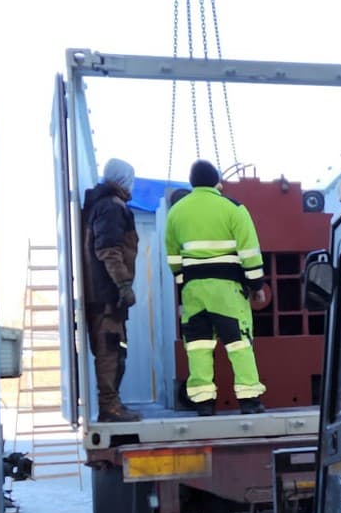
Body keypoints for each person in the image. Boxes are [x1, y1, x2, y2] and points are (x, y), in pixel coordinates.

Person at [165, 160, 267, 414]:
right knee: (239, 344)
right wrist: (256, 285)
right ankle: (249, 400)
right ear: (217, 182)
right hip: (227, 290)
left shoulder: (176, 212)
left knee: (198, 346)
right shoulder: (233, 208)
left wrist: (183, 282)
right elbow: (250, 252)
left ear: (192, 183)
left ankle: (203, 403)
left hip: (193, 291)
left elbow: (173, 256)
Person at [81, 157, 140, 422]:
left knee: (116, 350)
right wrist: (123, 285)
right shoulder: (112, 207)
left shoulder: (101, 205)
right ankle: (110, 408)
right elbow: (108, 250)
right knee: (109, 350)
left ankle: (112, 404)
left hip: (103, 294)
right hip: (106, 295)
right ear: (123, 179)